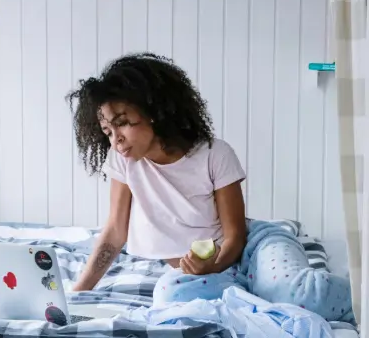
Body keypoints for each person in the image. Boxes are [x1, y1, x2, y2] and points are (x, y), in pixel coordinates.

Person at [67, 53, 353, 322]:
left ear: (152, 111)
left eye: (123, 124)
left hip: (251, 248)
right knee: (170, 296)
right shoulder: (124, 160)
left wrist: (214, 266)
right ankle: (255, 293)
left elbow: (235, 236)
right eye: (107, 131)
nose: (115, 139)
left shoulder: (214, 154)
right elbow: (115, 233)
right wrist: (78, 293)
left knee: (298, 294)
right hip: (209, 272)